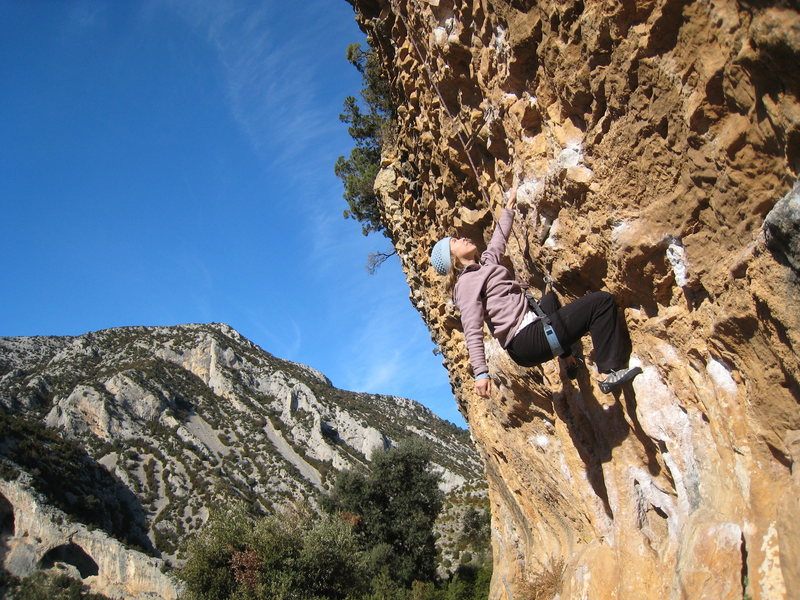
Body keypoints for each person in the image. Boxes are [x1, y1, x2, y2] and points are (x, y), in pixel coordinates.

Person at [430, 180, 641, 399]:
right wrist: (481, 373)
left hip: (529, 337)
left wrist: (509, 207)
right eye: (455, 241)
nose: (462, 238)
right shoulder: (466, 283)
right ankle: (610, 372)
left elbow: (498, 241)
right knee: (602, 302)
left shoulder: (485, 265)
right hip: (525, 341)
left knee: (549, 300)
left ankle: (566, 357)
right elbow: (472, 327)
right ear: (453, 259)